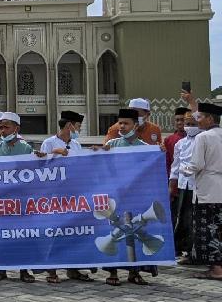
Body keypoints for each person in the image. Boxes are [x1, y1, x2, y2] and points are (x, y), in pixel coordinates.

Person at [37, 111, 95, 283]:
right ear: (70, 126)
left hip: (73, 195)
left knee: (73, 233)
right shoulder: (49, 143)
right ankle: (51, 271)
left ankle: (73, 268)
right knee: (54, 233)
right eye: (78, 126)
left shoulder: (76, 145)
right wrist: (54, 154)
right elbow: (41, 168)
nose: (79, 129)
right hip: (54, 195)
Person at [98, 108, 153, 286]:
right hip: (115, 196)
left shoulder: (145, 148)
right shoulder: (112, 145)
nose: (121, 126)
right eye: (119, 123)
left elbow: (150, 171)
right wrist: (97, 152)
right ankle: (112, 272)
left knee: (135, 232)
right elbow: (101, 166)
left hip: (136, 196)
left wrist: (159, 152)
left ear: (135, 125)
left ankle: (134, 272)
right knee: (114, 232)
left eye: (125, 123)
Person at [0, 112, 35, 283]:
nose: (2, 131)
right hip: (1, 199)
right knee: (1, 235)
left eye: (6, 127)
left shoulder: (26, 148)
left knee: (23, 236)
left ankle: (24, 270)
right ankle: (0, 269)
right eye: (0, 127)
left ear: (16, 128)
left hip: (21, 199)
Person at [184, 101, 222, 280]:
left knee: (208, 229)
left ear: (210, 118)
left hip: (207, 189)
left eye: (201, 117)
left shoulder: (203, 137)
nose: (197, 121)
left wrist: (183, 170)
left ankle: (216, 269)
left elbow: (196, 164)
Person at [170, 119, 202, 262]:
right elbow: (175, 165)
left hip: (199, 184)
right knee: (182, 217)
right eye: (187, 124)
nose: (189, 127)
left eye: (193, 124)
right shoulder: (180, 143)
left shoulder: (202, 140)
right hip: (183, 185)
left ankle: (194, 251)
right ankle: (181, 248)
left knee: (195, 218)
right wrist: (172, 185)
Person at [165, 107, 189, 177]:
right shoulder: (168, 140)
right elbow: (167, 162)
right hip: (175, 177)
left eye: (182, 120)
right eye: (177, 120)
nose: (179, 123)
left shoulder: (196, 138)